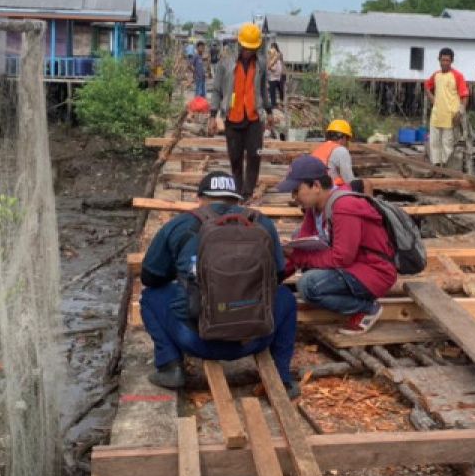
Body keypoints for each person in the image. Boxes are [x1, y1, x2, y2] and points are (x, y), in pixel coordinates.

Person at [138, 171, 298, 393]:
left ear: (200, 199)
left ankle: (170, 366)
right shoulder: (262, 223)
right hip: (255, 337)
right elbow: (278, 275)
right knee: (286, 298)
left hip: (196, 340)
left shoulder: (180, 225)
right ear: (237, 200)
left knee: (149, 296)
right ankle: (282, 379)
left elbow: (150, 277)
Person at [278, 155, 396, 335]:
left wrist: (296, 256)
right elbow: (301, 245)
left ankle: (367, 308)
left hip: (373, 271)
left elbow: (341, 257)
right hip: (354, 266)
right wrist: (277, 276)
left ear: (316, 186)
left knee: (308, 285)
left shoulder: (344, 207)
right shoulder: (314, 208)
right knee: (296, 237)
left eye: (296, 190)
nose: (294, 197)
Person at [210, 23, 271, 201]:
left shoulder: (260, 64)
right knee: (235, 158)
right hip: (233, 118)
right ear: (240, 44)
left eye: (253, 49)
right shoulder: (226, 64)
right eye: (246, 48)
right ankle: (237, 191)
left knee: (254, 156)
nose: (249, 52)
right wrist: (213, 115)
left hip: (254, 118)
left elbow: (263, 89)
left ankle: (248, 192)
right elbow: (216, 90)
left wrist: (269, 110)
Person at [424, 47, 469, 167]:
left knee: (447, 144)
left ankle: (445, 166)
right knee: (434, 142)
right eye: (442, 60)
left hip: (451, 116)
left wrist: (460, 112)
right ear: (439, 60)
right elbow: (427, 86)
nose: (444, 63)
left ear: (452, 61)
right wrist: (432, 98)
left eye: (447, 60)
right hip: (436, 115)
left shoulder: (458, 76)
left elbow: (464, 96)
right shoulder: (436, 75)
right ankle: (436, 166)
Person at [311, 119, 372, 194]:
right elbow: (349, 179)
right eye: (347, 139)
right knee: (366, 184)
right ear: (343, 138)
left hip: (316, 189)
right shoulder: (341, 150)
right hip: (330, 190)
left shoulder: (320, 148)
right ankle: (365, 205)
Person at [267, 42, 285, 108]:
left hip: (279, 76)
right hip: (272, 77)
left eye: (274, 48)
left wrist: (283, 71)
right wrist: (270, 67)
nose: (273, 49)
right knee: (272, 91)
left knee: (281, 90)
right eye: (272, 48)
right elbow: (269, 66)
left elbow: (281, 62)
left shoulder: (279, 55)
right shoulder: (270, 56)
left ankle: (281, 102)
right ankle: (273, 104)